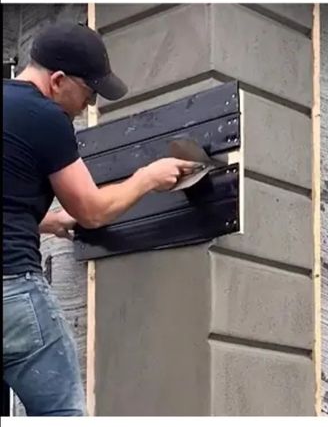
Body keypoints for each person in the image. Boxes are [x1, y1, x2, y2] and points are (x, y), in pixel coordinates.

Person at [3, 22, 199, 416]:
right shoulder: (44, 116)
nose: (87, 107)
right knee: (61, 414)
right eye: (89, 94)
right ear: (58, 81)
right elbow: (91, 212)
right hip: (12, 291)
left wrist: (42, 221)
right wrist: (147, 178)